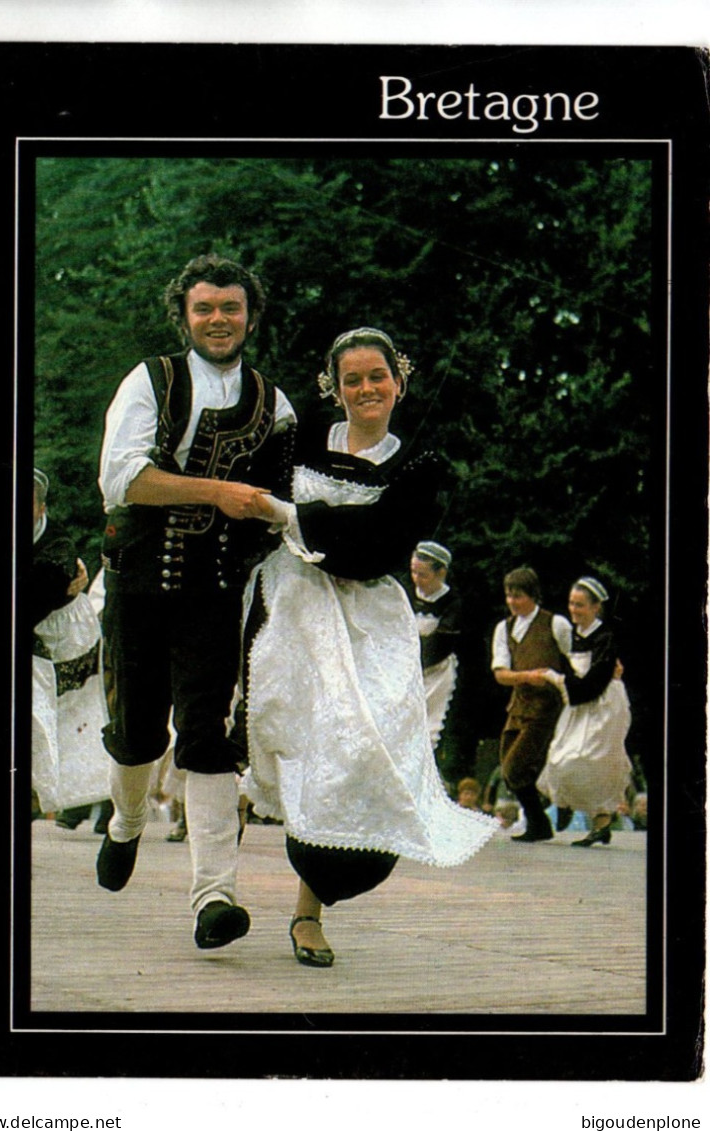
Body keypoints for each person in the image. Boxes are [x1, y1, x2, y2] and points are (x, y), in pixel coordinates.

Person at [237, 327, 496, 967]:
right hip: (292, 610)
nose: (365, 389)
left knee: (360, 747)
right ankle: (238, 893)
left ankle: (315, 893)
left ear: (398, 382)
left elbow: (381, 541)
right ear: (335, 386)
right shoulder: (294, 444)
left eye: (376, 376)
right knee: (285, 734)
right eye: (351, 379)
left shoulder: (419, 466)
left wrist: (286, 514)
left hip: (371, 617)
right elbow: (243, 500)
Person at [95, 252, 296, 952]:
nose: (219, 319)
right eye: (205, 307)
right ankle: (123, 824)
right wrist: (216, 492)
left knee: (208, 735)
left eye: (231, 307)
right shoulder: (150, 380)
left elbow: (287, 499)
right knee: (138, 731)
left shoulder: (277, 404)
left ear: (251, 315)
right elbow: (122, 479)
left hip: (215, 590)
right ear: (183, 313)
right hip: (140, 579)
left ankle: (215, 896)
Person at [32, 469, 112, 818]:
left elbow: (33, 601)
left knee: (73, 718)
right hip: (33, 623)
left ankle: (86, 802)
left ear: (41, 508)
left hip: (65, 634)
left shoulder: (57, 550)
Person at [536, 577, 633, 847]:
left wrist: (557, 679)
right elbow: (573, 672)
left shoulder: (605, 638)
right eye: (571, 603)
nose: (574, 610)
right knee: (560, 756)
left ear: (595, 607)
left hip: (602, 705)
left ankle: (599, 823)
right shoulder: (574, 635)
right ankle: (583, 813)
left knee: (593, 760)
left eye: (580, 605)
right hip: (579, 705)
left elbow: (591, 683)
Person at [490, 566, 572, 843]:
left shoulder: (556, 624)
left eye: (518, 596)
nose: (512, 602)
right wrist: (527, 677)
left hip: (548, 708)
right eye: (508, 596)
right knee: (510, 771)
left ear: (533, 595)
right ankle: (542, 820)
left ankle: (545, 817)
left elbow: (576, 661)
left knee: (516, 768)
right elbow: (500, 674)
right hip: (518, 706)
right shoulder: (504, 628)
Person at [407, 541, 469, 789]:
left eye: (423, 574)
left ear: (440, 572)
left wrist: (412, 650)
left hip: (438, 674)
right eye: (414, 572)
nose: (416, 579)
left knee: (431, 731)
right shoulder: (406, 594)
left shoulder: (452, 602)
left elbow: (441, 644)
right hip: (407, 672)